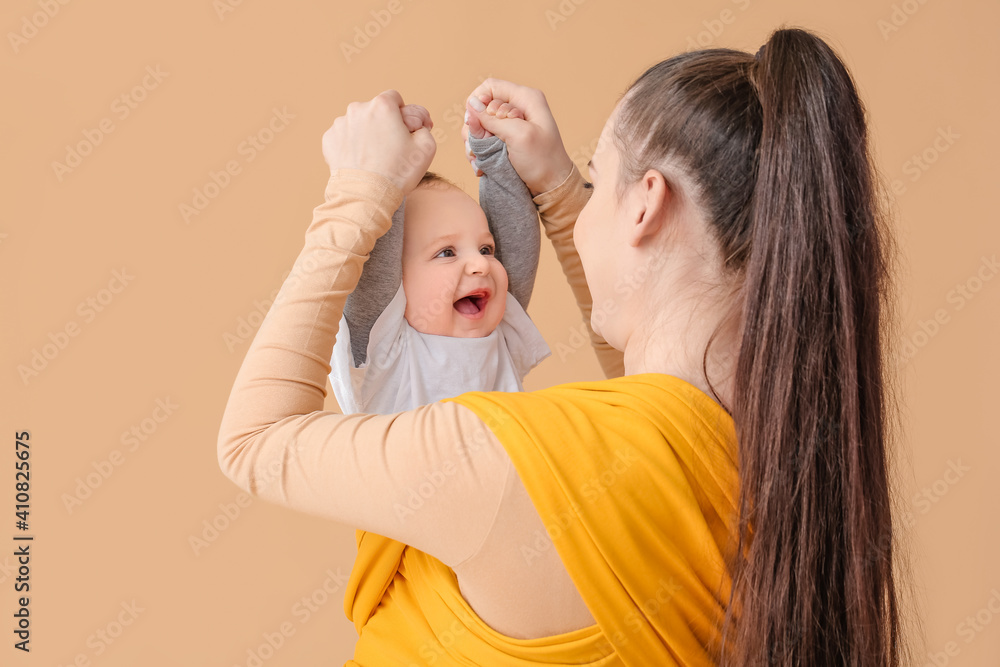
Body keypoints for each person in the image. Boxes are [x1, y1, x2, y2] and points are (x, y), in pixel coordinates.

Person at [217, 26, 906, 666]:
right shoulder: (785, 472)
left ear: (645, 204)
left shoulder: (507, 461)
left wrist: (357, 193)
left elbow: (254, 438)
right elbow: (648, 417)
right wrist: (556, 187)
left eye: (596, 177)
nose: (581, 207)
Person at [329, 125, 552, 415]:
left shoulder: (500, 333)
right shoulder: (383, 353)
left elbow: (515, 236)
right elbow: (375, 269)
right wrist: (391, 170)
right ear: (394, 280)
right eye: (447, 253)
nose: (481, 264)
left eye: (486, 249)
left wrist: (493, 152)